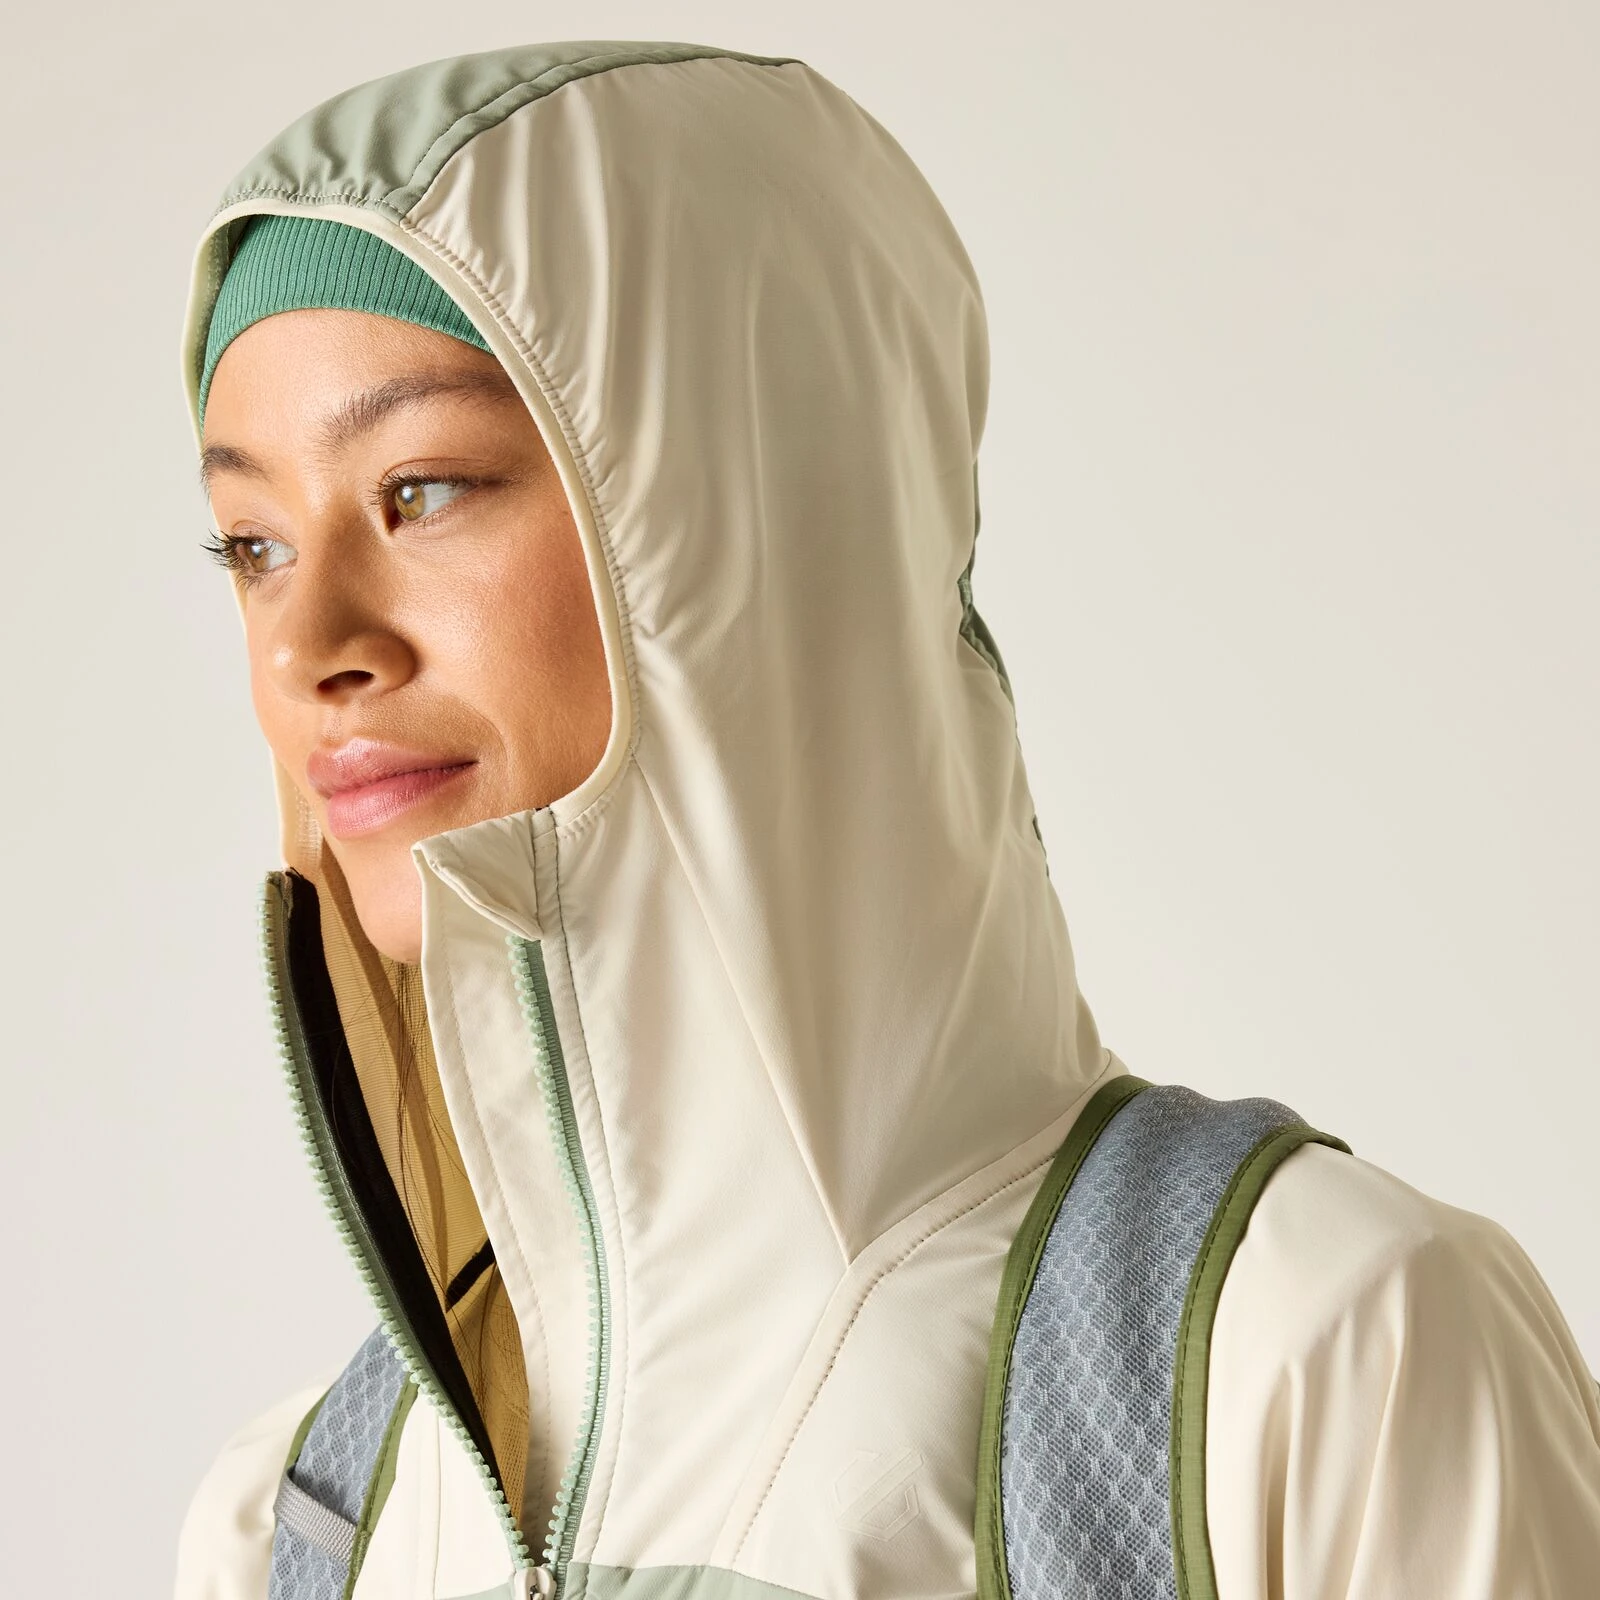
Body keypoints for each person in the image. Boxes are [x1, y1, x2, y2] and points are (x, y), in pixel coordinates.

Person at [174, 40, 1600, 1600]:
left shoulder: (1319, 1363)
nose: (308, 645)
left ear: (748, 512)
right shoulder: (303, 1520)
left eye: (424, 489)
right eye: (251, 542)